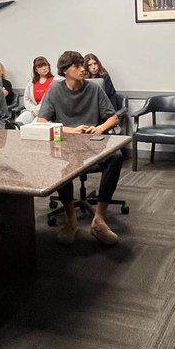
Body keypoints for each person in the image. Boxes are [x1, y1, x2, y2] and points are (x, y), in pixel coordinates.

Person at [37, 50, 125, 247]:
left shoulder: (94, 88)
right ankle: (71, 221)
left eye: (81, 65)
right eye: (76, 66)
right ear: (65, 71)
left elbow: (114, 117)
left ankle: (99, 220)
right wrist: (71, 130)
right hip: (66, 143)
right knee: (60, 161)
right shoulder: (55, 90)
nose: (82, 69)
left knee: (116, 156)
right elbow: (41, 121)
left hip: (92, 144)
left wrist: (100, 127)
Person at [18, 55, 55, 124]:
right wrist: (33, 109)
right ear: (36, 69)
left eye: (45, 65)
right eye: (40, 66)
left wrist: (38, 110)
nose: (44, 68)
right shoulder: (31, 82)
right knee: (19, 122)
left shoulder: (54, 81)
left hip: (47, 112)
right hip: (32, 111)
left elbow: (50, 101)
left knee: (34, 125)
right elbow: (26, 99)